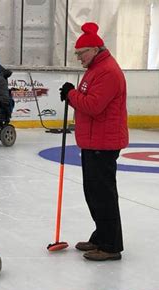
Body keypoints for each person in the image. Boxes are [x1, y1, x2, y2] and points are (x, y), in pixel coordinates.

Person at [60, 22, 128, 261]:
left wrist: (71, 94)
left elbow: (94, 106)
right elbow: (88, 98)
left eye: (81, 53)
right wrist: (74, 95)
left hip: (104, 143)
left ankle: (111, 246)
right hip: (93, 142)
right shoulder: (95, 68)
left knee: (103, 195)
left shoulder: (108, 71)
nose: (78, 58)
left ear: (95, 49)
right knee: (94, 193)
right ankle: (101, 236)